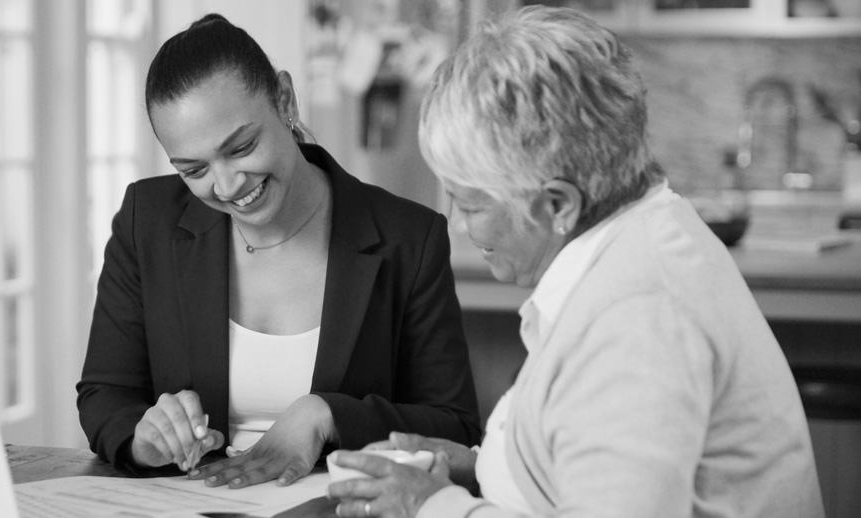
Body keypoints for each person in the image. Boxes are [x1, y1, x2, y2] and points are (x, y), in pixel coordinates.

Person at [327, 6, 825, 517]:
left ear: (559, 205)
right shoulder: (641, 232)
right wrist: (474, 465)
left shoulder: (635, 319)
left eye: (473, 204)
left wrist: (433, 507)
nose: (461, 225)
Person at [76, 13, 481, 488]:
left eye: (242, 147)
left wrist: (329, 413)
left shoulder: (409, 237)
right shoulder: (147, 218)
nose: (226, 186)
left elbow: (455, 426)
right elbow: (105, 394)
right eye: (193, 170)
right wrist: (143, 439)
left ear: (284, 99)